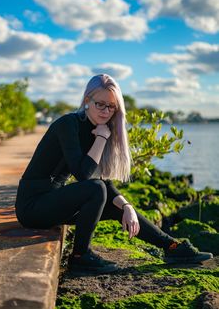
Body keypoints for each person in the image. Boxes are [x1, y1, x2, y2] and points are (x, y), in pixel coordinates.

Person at [15, 74, 213, 274]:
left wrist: (127, 206)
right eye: (100, 104)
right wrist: (101, 137)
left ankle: (171, 247)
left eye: (111, 106)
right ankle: (80, 257)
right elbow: (84, 175)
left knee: (115, 205)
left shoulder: (97, 128)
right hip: (32, 206)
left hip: (52, 202)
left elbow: (102, 182)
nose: (106, 111)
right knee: (95, 190)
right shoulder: (68, 125)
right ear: (86, 101)